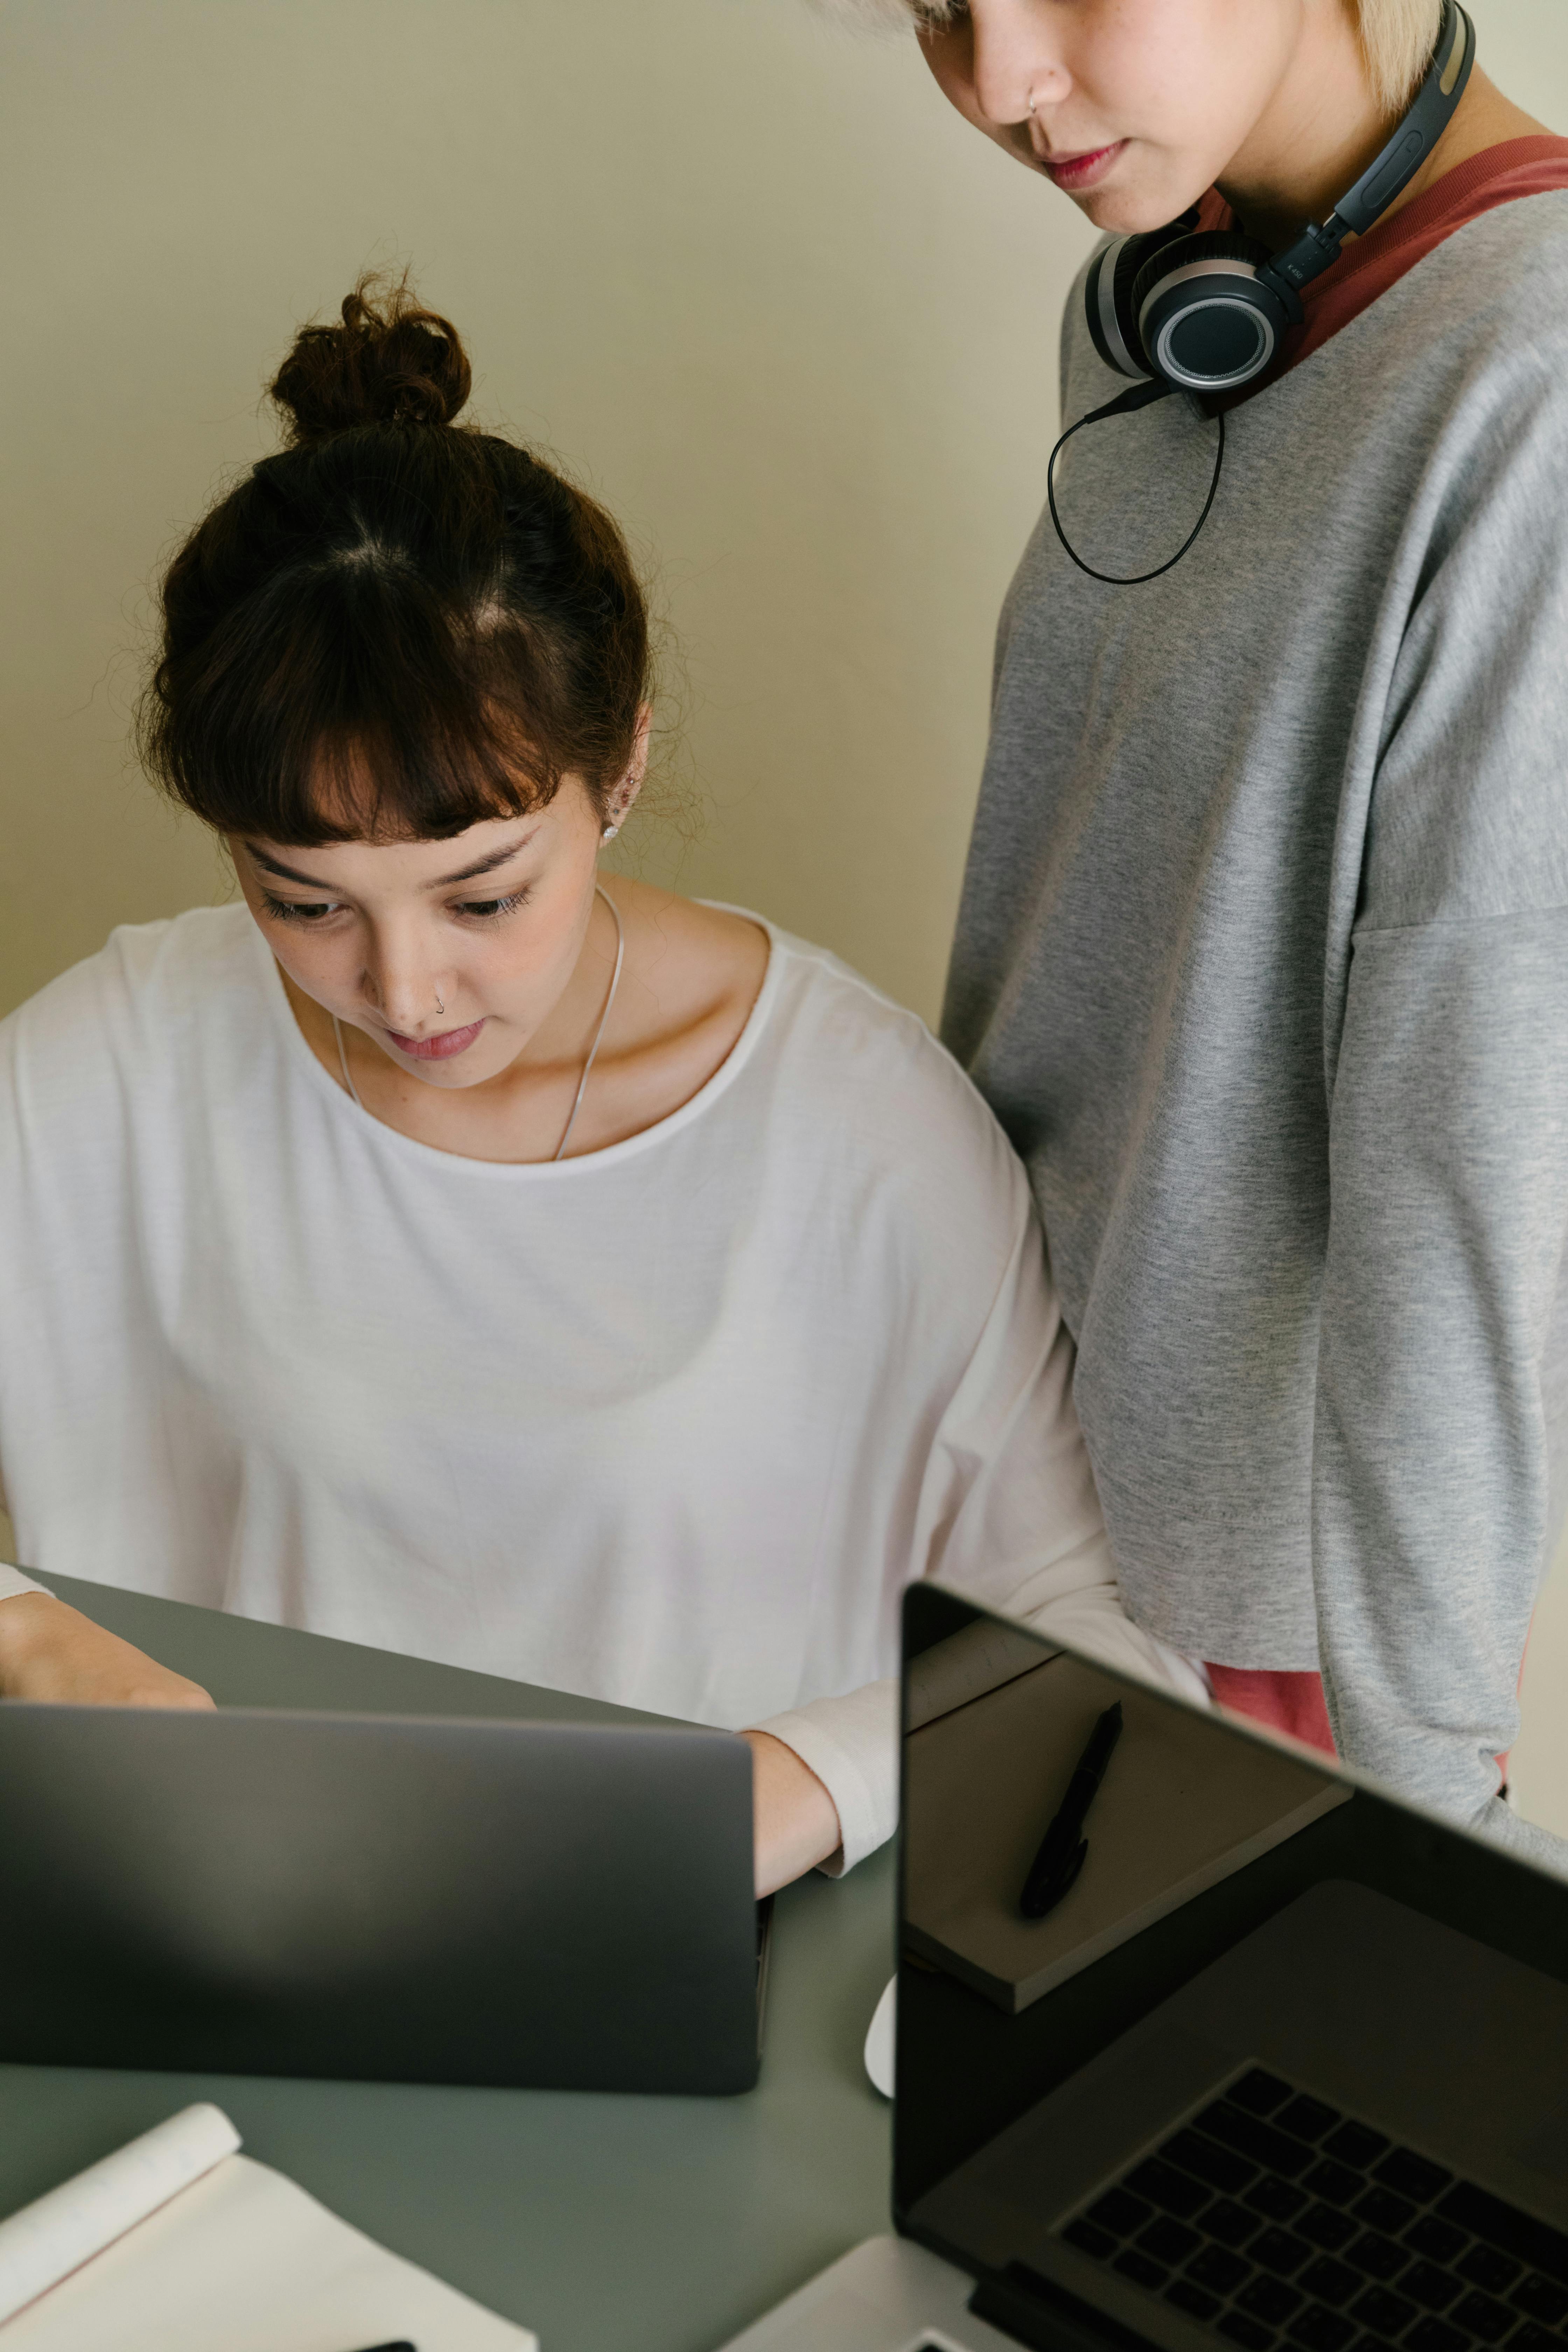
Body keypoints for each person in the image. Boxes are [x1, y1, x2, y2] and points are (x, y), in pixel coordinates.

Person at [0, 279, 1199, 1895]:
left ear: (619, 767)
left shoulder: (850, 1125)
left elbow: (1087, 1640)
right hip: (218, 1933)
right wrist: (27, 1642)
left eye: (483, 895)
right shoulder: (110, 1070)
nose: (405, 990)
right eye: (301, 901)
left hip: (691, 1964)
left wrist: (795, 1785)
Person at [854, 0, 1568, 1861]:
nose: (1003, 83)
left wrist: (1418, 1817)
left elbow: (1470, 1145)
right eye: (935, 6)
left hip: (1249, 1620)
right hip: (992, 1482)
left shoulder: (1536, 371)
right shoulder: (1159, 307)